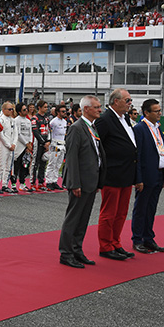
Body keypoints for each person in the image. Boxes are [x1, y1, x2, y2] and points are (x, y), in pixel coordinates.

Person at [58, 95, 105, 268]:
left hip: (91, 181)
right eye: (97, 107)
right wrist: (74, 183)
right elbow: (71, 158)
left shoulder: (92, 127)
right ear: (86, 109)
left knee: (83, 219)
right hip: (80, 182)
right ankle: (66, 252)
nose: (100, 110)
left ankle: (77, 249)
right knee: (73, 218)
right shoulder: (77, 128)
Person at [94, 88, 137, 261]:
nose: (130, 104)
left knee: (121, 212)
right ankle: (105, 246)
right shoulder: (105, 120)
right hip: (112, 173)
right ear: (115, 101)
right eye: (127, 100)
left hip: (126, 172)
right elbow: (98, 146)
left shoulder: (125, 118)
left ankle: (115, 242)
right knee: (109, 212)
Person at [131, 99, 164, 254]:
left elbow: (162, 150)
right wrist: (138, 178)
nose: (160, 113)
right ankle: (137, 239)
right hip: (146, 175)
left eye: (160, 110)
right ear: (146, 113)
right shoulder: (140, 129)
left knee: (151, 208)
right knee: (141, 208)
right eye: (157, 111)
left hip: (158, 174)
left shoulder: (157, 128)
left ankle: (148, 237)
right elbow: (137, 155)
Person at [0, 102, 17, 194]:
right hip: (3, 146)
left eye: (12, 109)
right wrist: (8, 145)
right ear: (3, 110)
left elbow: (16, 133)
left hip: (11, 145)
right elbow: (0, 134)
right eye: (9, 109)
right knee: (1, 166)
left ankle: (4, 184)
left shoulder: (13, 120)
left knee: (8, 167)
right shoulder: (1, 120)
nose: (11, 111)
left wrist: (14, 144)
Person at [46, 105, 69, 190]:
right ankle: (48, 181)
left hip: (62, 144)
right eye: (63, 111)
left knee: (58, 164)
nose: (64, 113)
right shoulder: (53, 122)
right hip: (55, 144)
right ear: (58, 112)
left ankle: (54, 181)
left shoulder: (65, 122)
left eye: (65, 111)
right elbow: (49, 132)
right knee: (52, 163)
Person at [13, 103, 34, 192]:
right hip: (19, 145)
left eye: (26, 109)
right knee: (16, 166)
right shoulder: (16, 120)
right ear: (19, 111)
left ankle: (22, 183)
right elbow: (18, 133)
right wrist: (26, 143)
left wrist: (30, 143)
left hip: (27, 146)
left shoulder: (28, 121)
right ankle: (13, 184)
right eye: (24, 109)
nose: (26, 111)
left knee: (24, 166)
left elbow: (30, 133)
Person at [31, 100, 51, 191]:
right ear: (39, 107)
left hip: (46, 143)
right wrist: (43, 143)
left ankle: (40, 182)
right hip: (37, 143)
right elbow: (35, 132)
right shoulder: (35, 118)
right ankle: (32, 183)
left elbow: (49, 131)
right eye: (45, 107)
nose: (46, 109)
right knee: (35, 163)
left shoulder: (46, 118)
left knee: (43, 163)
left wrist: (48, 142)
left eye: (47, 107)